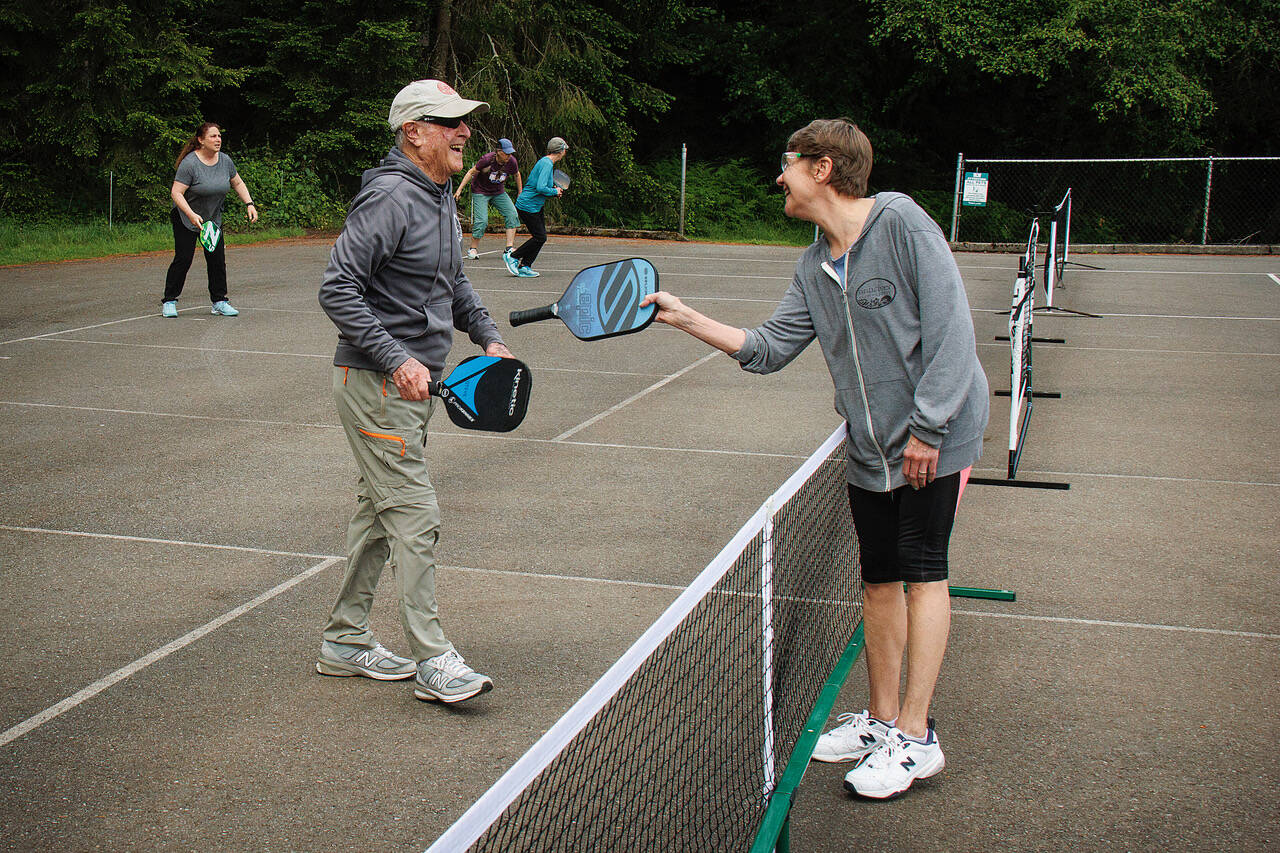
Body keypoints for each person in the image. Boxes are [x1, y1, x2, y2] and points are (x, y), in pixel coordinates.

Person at [640, 119, 989, 799]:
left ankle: (916, 738)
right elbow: (768, 348)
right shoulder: (812, 264)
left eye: (787, 164)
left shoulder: (903, 224)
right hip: (870, 445)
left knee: (923, 572)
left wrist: (928, 427)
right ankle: (882, 719)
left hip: (935, 439)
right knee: (879, 579)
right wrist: (686, 318)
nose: (779, 176)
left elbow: (953, 330)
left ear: (823, 167)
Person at [316, 79, 513, 705]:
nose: (464, 133)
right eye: (449, 122)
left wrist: (488, 338)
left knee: (379, 514)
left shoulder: (436, 199)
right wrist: (395, 357)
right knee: (416, 514)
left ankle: (345, 642)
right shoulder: (390, 198)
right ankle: (432, 658)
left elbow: (452, 284)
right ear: (413, 132)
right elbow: (338, 288)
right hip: (377, 383)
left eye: (465, 122)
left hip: (414, 384)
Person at [162, 123, 257, 318]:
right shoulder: (190, 163)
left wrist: (249, 203)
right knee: (184, 258)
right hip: (186, 218)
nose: (218, 140)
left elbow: (237, 182)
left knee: (216, 260)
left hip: (212, 219)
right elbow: (176, 193)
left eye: (219, 136)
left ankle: (219, 302)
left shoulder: (225, 161)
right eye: (213, 136)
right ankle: (169, 301)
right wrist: (191, 214)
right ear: (201, 140)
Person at [505, 136, 567, 278]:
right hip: (527, 205)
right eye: (565, 149)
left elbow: (542, 184)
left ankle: (525, 266)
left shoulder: (546, 163)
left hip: (535, 205)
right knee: (540, 237)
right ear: (561, 150)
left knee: (540, 237)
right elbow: (540, 187)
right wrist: (554, 191)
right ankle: (513, 257)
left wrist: (554, 190)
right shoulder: (547, 164)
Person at [454, 137, 522, 260]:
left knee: (512, 214)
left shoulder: (512, 162)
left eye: (510, 153)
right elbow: (471, 172)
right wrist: (459, 190)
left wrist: (520, 192)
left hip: (498, 192)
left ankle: (509, 248)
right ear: (498, 152)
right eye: (506, 153)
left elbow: (517, 175)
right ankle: (472, 249)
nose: (508, 156)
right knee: (482, 221)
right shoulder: (486, 160)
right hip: (480, 191)